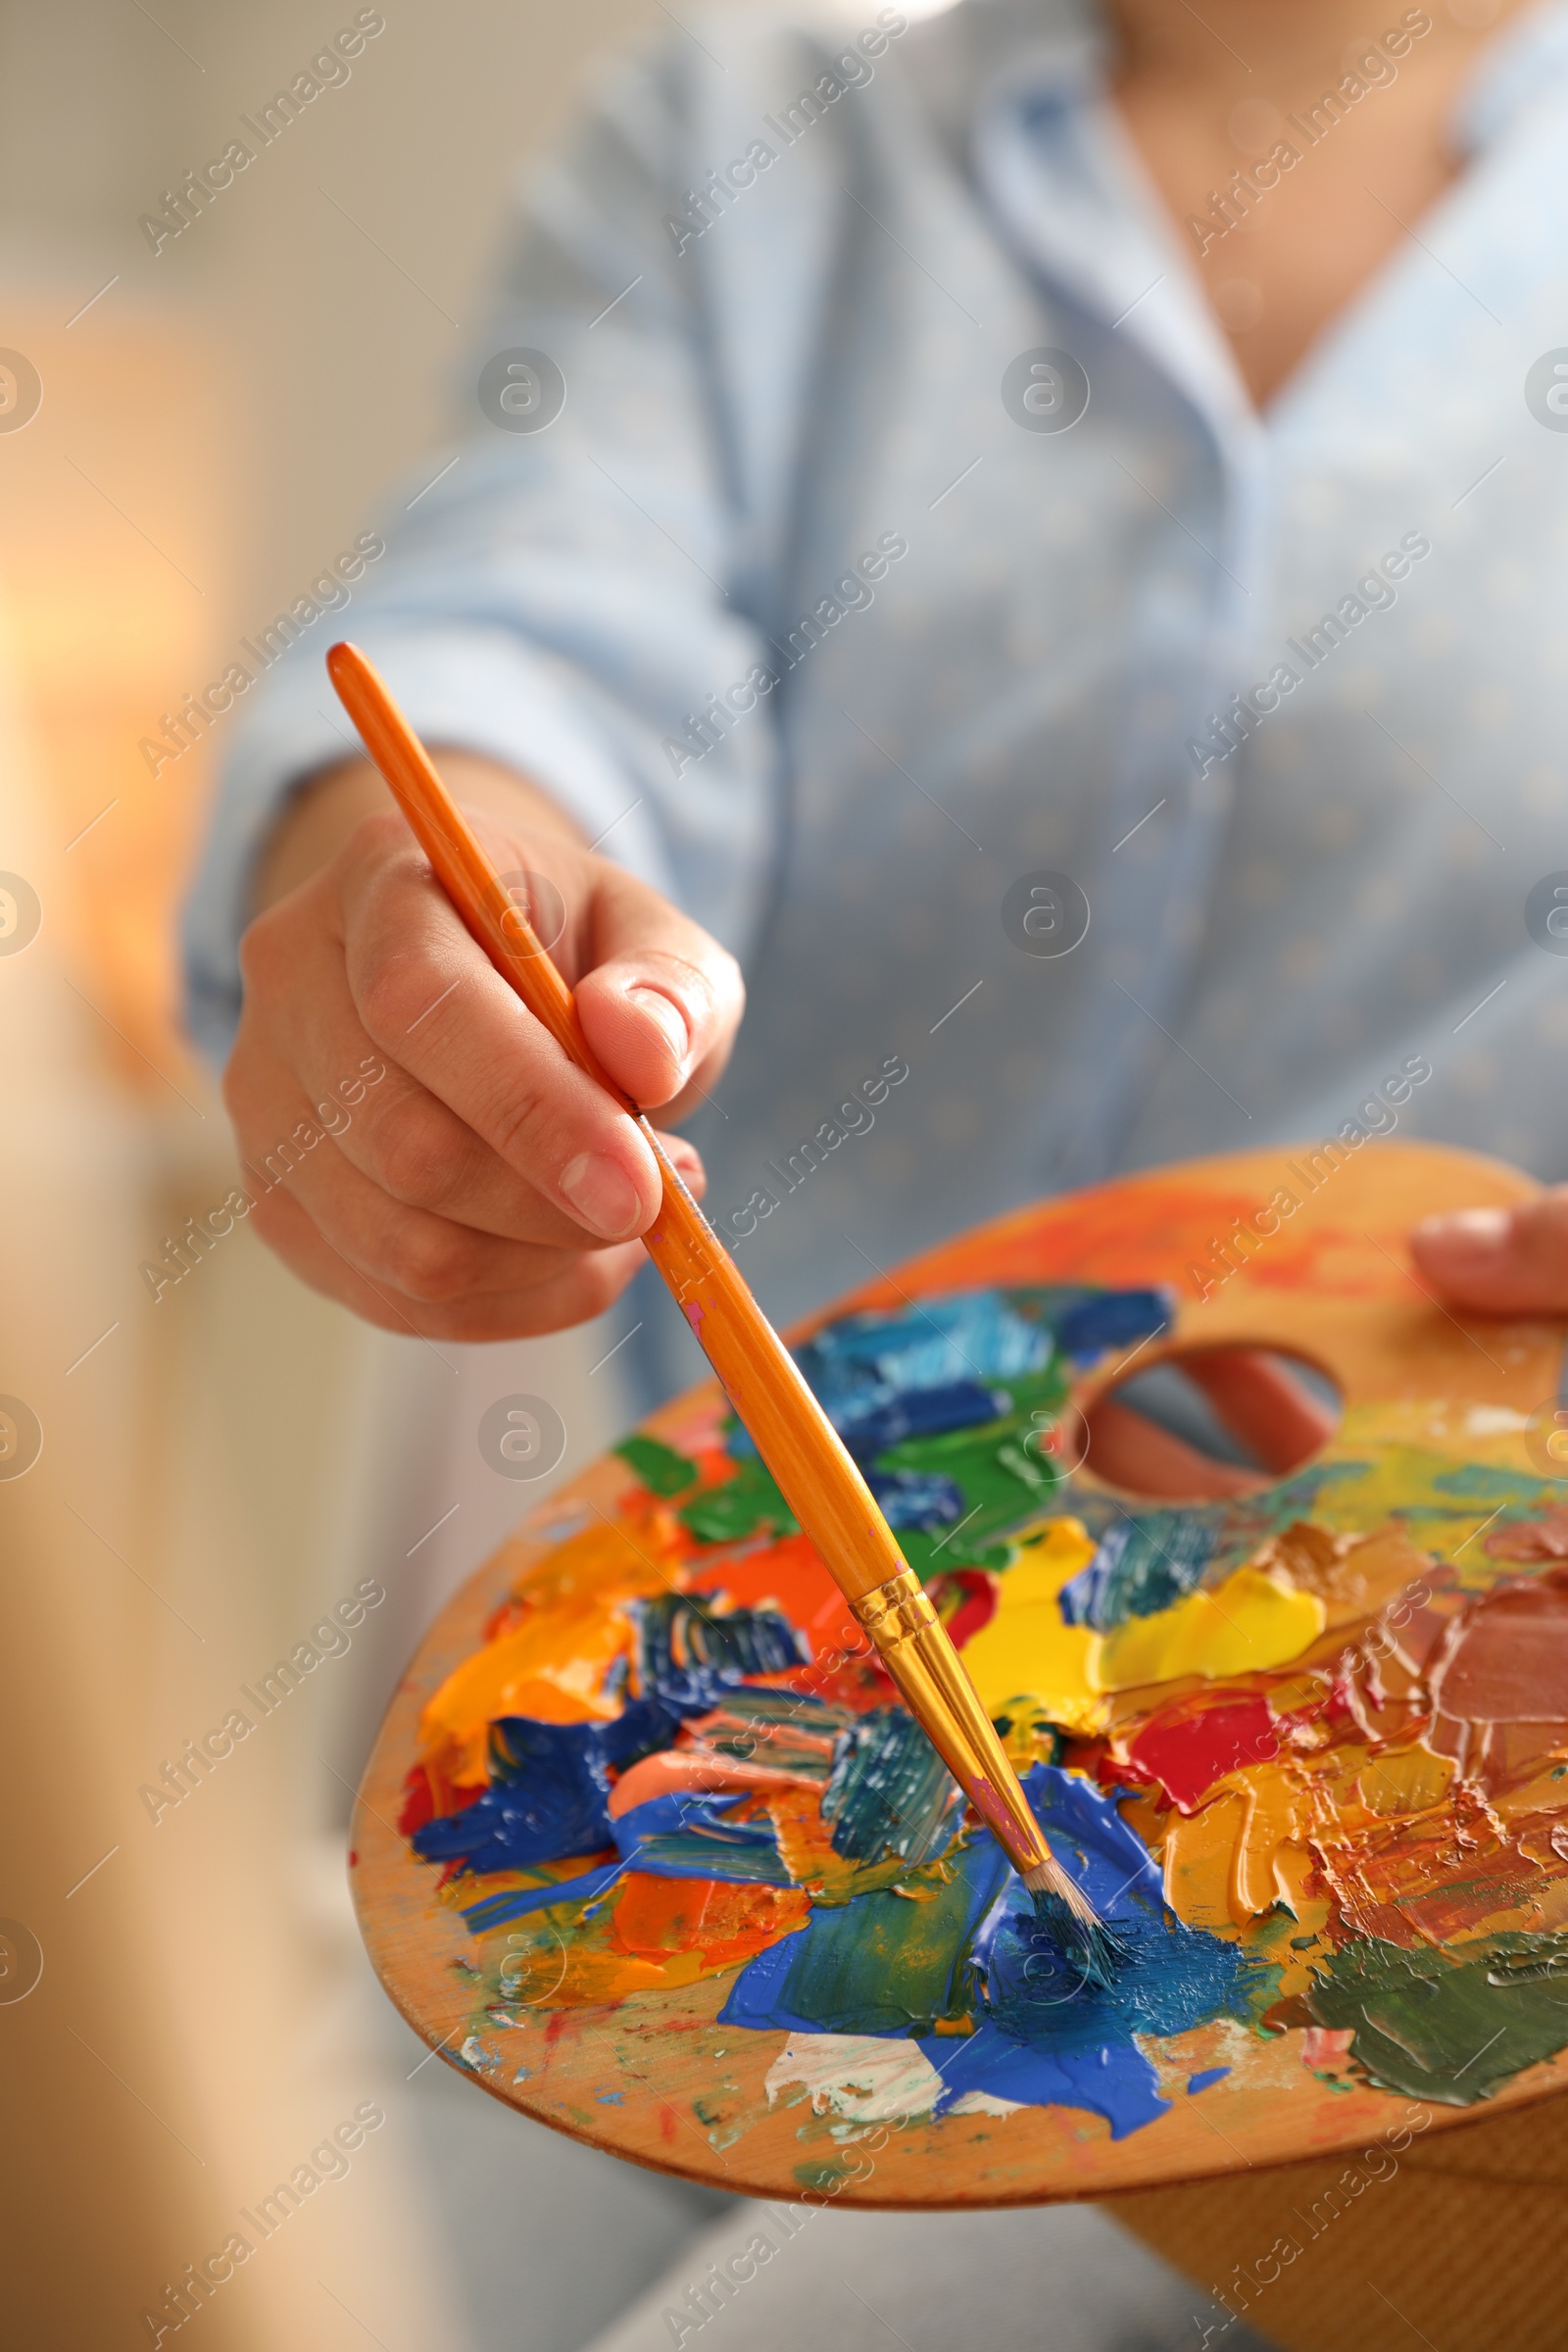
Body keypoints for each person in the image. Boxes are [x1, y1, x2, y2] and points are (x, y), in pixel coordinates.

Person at [184, 0, 1568, 2343]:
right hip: (712, 1789)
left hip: (1382, 1897)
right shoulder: (752, 129)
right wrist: (429, 913)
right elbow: (524, 634)